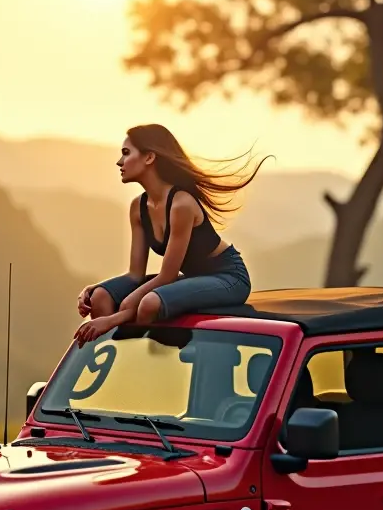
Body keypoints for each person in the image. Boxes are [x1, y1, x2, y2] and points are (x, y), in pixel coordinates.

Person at [75, 124, 268, 346]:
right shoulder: (138, 207)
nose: (119, 162)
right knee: (101, 296)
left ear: (149, 158)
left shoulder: (181, 204)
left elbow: (167, 276)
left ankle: (142, 360)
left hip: (228, 277)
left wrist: (112, 319)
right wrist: (94, 289)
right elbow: (135, 274)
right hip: (193, 278)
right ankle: (113, 359)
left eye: (126, 153)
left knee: (148, 303)